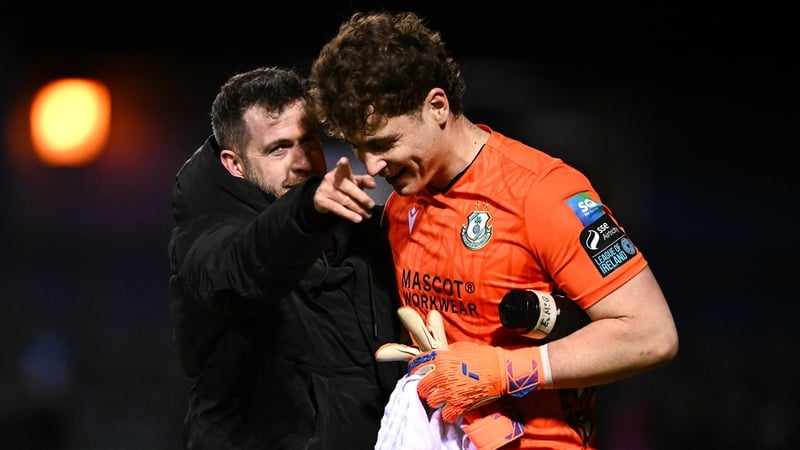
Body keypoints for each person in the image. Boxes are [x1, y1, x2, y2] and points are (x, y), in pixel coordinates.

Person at [308, 11, 679, 450]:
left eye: (384, 143)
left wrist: (505, 371)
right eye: (359, 149)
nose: (372, 166)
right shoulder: (401, 205)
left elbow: (651, 334)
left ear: (437, 106)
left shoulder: (545, 193)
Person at [167, 66, 405, 450]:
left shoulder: (363, 232)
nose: (303, 162)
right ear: (234, 163)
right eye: (278, 148)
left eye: (308, 140)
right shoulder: (203, 239)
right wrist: (306, 211)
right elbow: (241, 273)